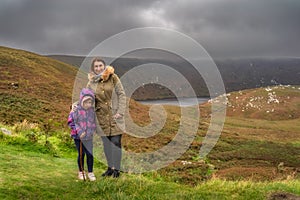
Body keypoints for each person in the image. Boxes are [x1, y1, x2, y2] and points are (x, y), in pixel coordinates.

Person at [87, 57, 126, 178]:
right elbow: (86, 98)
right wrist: (77, 106)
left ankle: (117, 171)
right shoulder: (91, 82)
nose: (98, 68)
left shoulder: (113, 77)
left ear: (104, 66)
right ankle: (110, 168)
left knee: (116, 143)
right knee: (106, 144)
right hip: (101, 118)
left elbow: (121, 94)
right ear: (93, 69)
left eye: (100, 66)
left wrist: (120, 111)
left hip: (115, 116)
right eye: (96, 66)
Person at [67, 88, 97, 181]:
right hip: (78, 137)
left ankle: (90, 172)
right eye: (86, 102)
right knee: (81, 153)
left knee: (90, 154)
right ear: (82, 101)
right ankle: (81, 171)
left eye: (90, 103)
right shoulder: (75, 110)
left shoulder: (92, 111)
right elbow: (71, 122)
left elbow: (93, 122)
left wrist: (92, 130)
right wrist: (80, 131)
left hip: (88, 136)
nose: (88, 105)